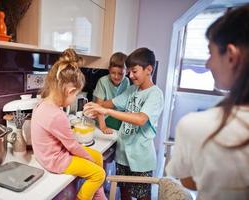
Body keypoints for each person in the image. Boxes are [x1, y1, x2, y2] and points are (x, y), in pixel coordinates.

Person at [166, 4, 249, 200]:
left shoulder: (197, 126)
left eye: (210, 53)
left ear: (231, 55)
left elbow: (188, 181)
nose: (207, 64)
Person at [84, 47, 164, 200]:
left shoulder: (155, 94)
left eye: (134, 71)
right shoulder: (133, 89)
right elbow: (112, 103)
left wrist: (107, 111)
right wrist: (96, 106)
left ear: (148, 69)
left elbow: (141, 119)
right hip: (123, 155)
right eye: (130, 72)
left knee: (142, 197)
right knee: (125, 194)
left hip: (141, 157)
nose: (130, 75)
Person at [31, 49, 106, 200]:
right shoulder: (57, 115)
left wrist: (90, 158)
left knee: (98, 157)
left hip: (45, 156)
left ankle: (98, 196)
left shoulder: (42, 104)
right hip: (55, 161)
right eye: (76, 94)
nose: (75, 98)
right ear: (69, 91)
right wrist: (87, 158)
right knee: (99, 174)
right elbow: (72, 146)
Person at [93, 52, 130, 134]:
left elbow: (125, 102)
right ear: (109, 69)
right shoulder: (102, 81)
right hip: (105, 117)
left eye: (120, 74)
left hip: (118, 115)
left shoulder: (126, 81)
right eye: (113, 73)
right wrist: (103, 127)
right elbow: (99, 106)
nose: (116, 77)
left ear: (127, 71)